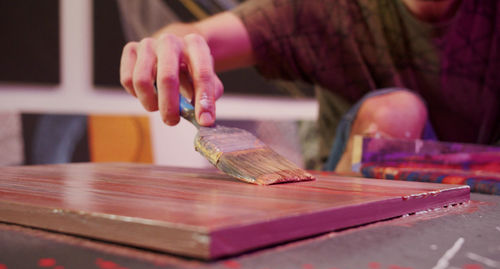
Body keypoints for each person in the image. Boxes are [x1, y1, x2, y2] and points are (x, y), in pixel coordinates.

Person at [120, 0, 499, 173]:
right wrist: (166, 49)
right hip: (356, 223)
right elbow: (193, 38)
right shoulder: (328, 9)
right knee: (395, 114)